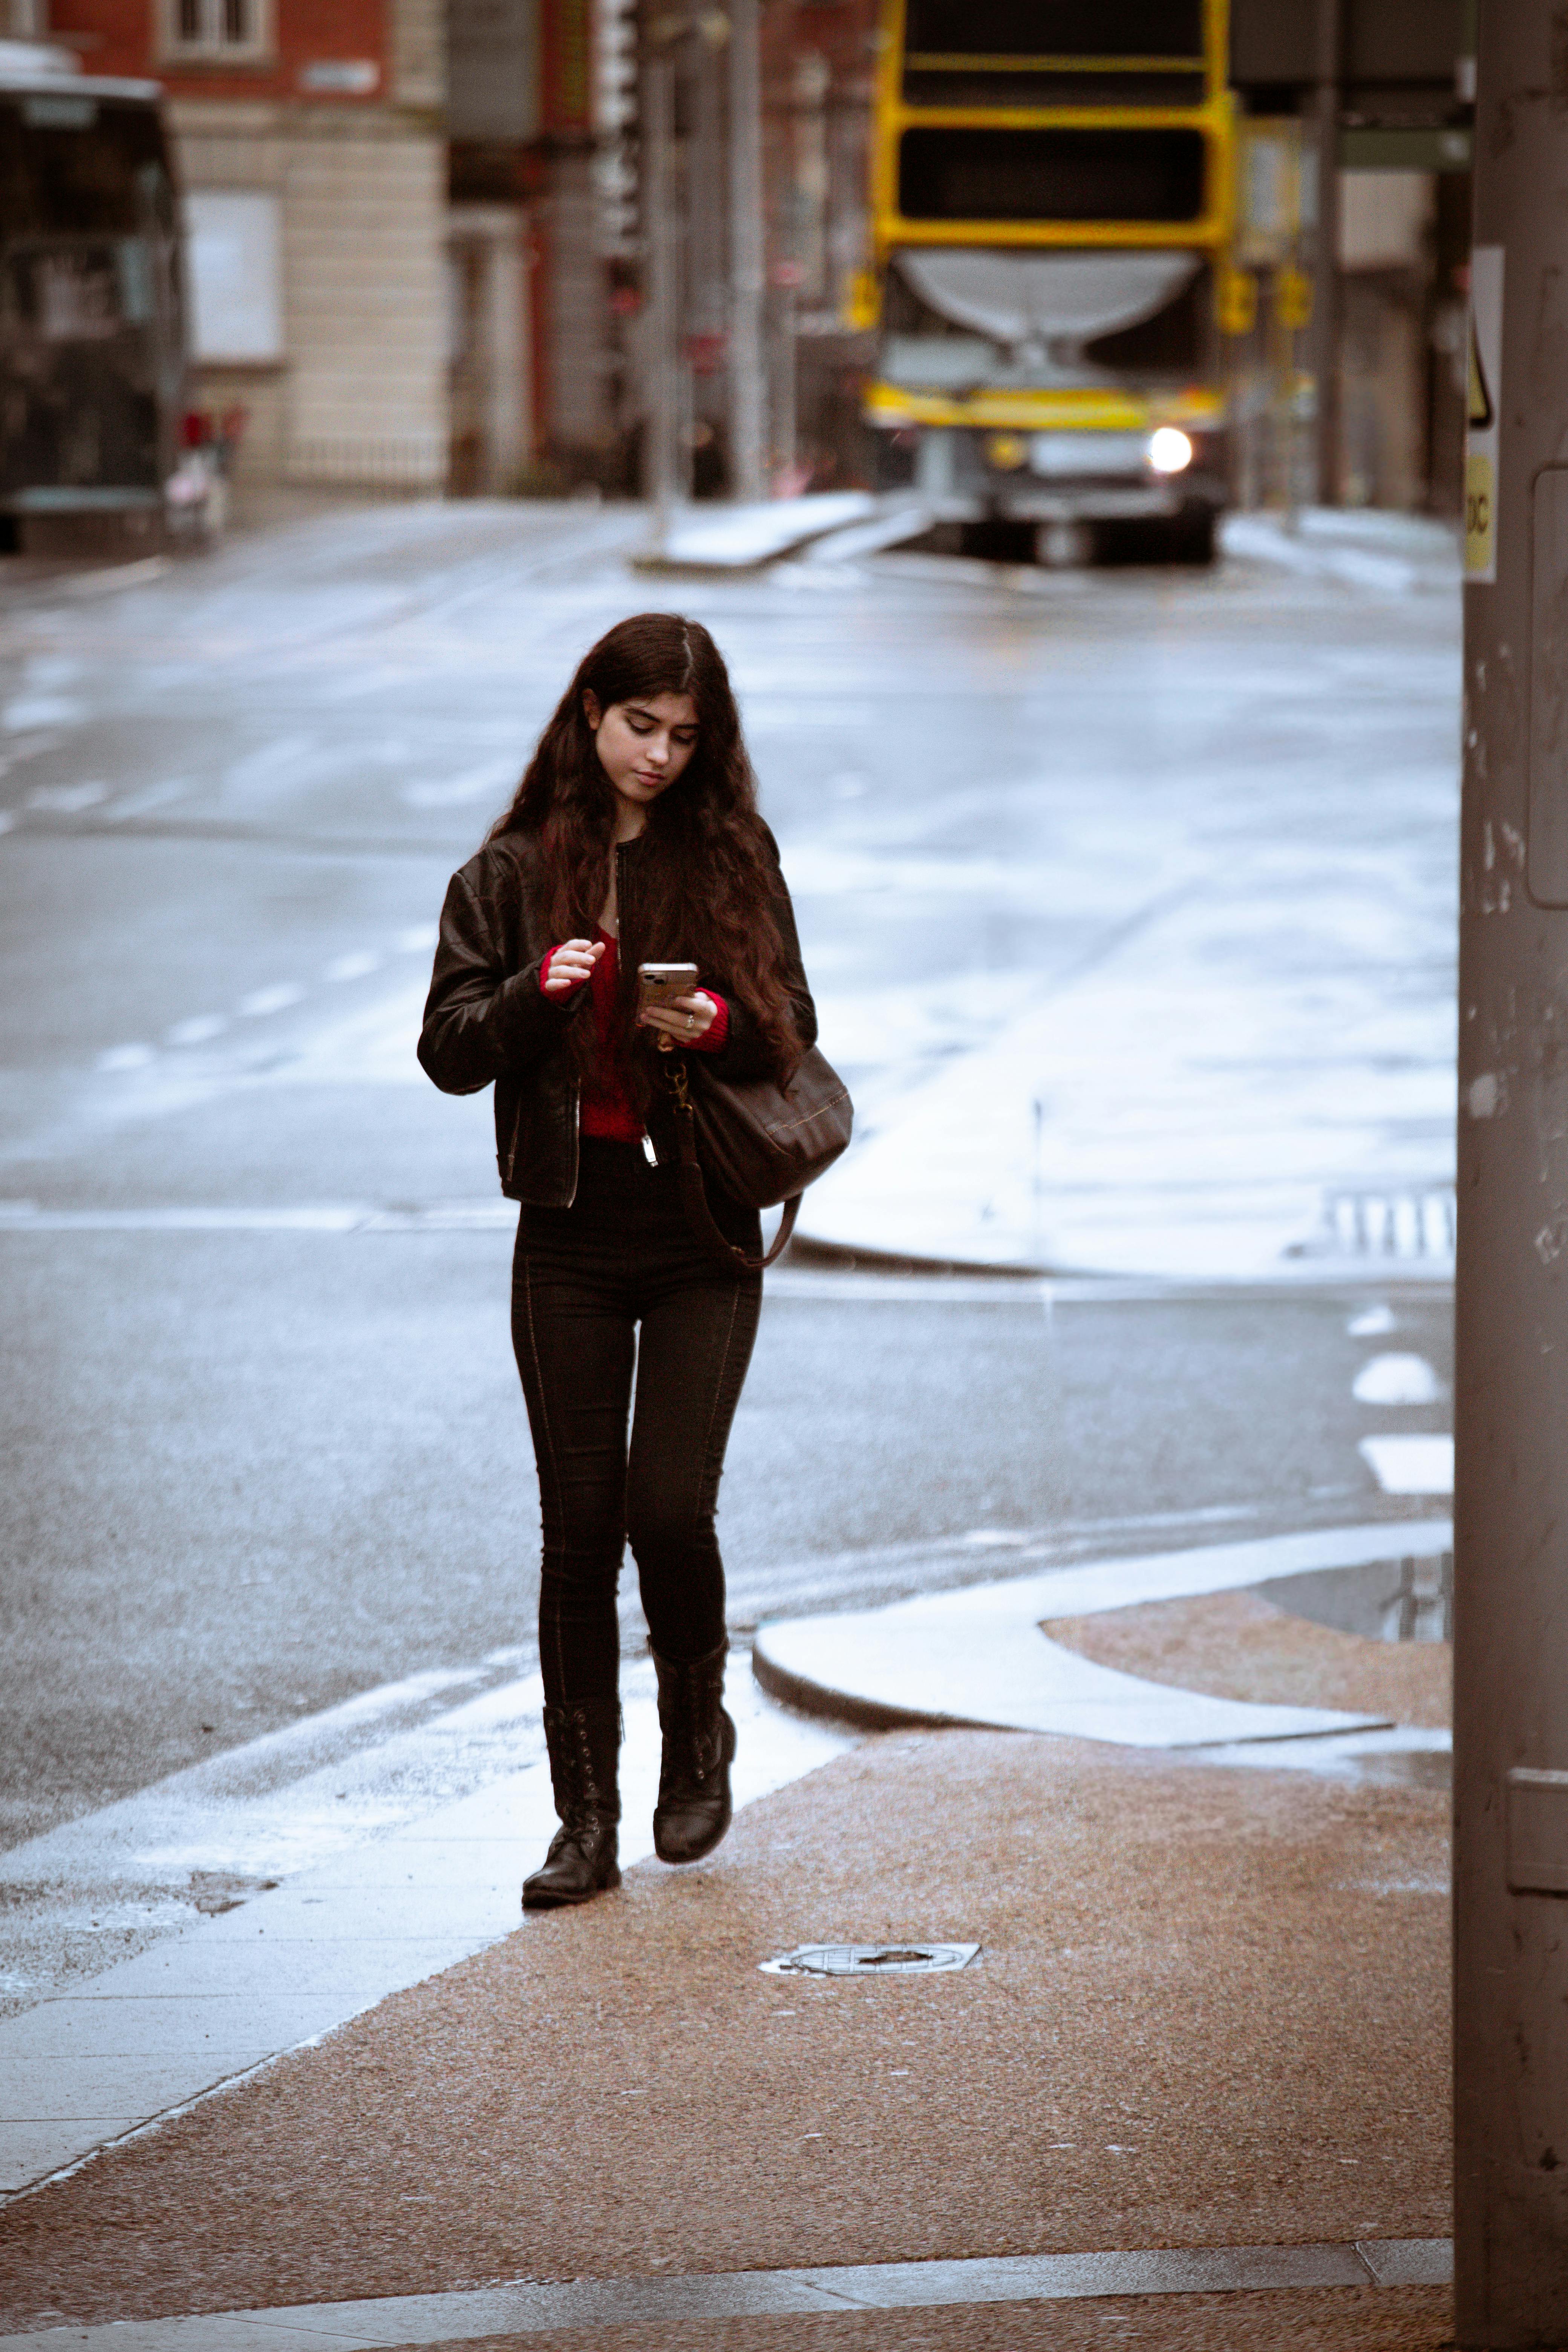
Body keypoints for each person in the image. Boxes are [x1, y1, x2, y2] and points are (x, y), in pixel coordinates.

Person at [418, 614, 816, 1910]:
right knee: (580, 1533)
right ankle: (583, 1822)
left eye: (685, 737)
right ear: (591, 712)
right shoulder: (511, 871)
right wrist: (540, 990)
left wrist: (713, 1021)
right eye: (641, 727)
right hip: (570, 1238)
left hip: (702, 1232)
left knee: (667, 1512)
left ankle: (698, 1738)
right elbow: (449, 1047)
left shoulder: (730, 853)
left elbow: (794, 1027)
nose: (659, 755)